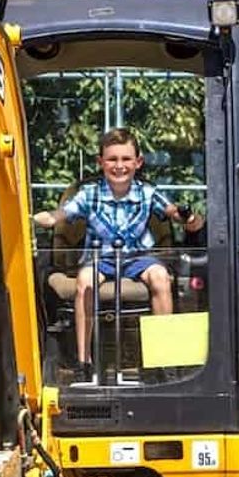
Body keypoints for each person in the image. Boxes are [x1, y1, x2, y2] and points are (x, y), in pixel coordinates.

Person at [35, 127, 204, 383]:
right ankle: (84, 362)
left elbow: (178, 215)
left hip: (137, 258)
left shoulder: (147, 193)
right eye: (112, 159)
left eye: (126, 159)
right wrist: (35, 218)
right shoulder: (89, 194)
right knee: (85, 282)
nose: (119, 166)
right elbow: (58, 216)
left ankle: (165, 362)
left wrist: (189, 218)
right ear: (100, 162)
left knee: (160, 276)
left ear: (138, 162)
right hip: (100, 259)